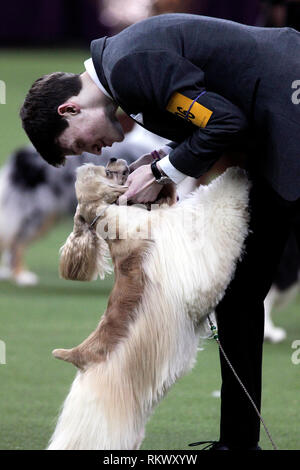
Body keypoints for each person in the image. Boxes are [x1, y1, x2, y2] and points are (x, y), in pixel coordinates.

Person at [20, 13, 300, 450]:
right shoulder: (122, 71)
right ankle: (238, 443)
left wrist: (161, 169)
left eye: (77, 143)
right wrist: (161, 163)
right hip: (276, 130)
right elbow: (213, 117)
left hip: (288, 113)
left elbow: (227, 123)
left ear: (69, 109)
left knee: (243, 294)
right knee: (239, 295)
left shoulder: (129, 68)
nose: (94, 150)